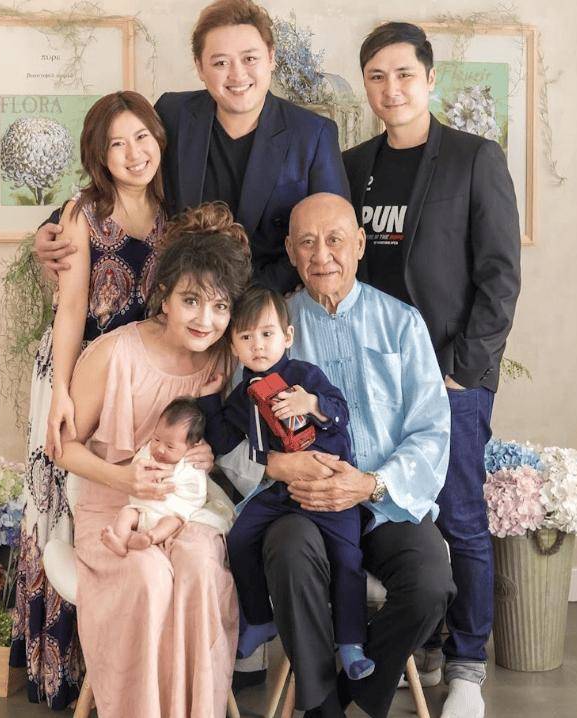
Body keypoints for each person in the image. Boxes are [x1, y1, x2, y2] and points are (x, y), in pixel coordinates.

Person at [216, 192, 455, 718]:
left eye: (334, 240)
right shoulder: (269, 330)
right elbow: (232, 438)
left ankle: (346, 695)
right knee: (288, 552)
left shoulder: (401, 323)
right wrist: (276, 465)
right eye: (307, 242)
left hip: (385, 501)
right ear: (290, 252)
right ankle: (323, 709)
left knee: (431, 584)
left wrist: (370, 483)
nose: (321, 254)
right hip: (301, 502)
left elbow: (432, 431)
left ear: (360, 245)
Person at [343, 22, 521, 718]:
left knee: (461, 517)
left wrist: (464, 370)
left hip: (447, 377)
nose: (391, 89)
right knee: (390, 512)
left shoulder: (474, 158)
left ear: (430, 80)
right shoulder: (352, 164)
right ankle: (416, 643)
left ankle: (467, 666)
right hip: (370, 381)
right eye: (376, 77)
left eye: (404, 75)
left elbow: (499, 274)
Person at [54, 202, 251, 717]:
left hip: (185, 512)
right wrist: (124, 478)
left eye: (220, 306)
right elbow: (63, 448)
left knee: (200, 569)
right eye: (191, 301)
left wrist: (209, 454)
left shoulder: (225, 361)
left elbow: (228, 445)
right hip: (114, 510)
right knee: (148, 576)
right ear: (164, 295)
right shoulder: (113, 354)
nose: (205, 320)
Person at [9, 91, 169, 709]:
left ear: (159, 138)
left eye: (142, 137)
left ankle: (129, 661)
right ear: (99, 156)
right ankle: (67, 669)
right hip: (77, 377)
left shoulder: (173, 214)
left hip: (138, 385)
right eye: (116, 144)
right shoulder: (84, 213)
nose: (134, 153)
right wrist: (59, 394)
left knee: (121, 505)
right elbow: (71, 308)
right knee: (63, 508)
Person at [33, 0, 350, 296]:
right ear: (200, 67)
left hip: (269, 308)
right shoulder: (174, 114)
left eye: (250, 58)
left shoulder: (313, 134)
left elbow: (338, 235)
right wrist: (55, 225)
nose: (237, 74)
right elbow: (123, 175)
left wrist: (245, 299)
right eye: (220, 62)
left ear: (271, 58)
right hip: (182, 303)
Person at [198, 285, 374, 681]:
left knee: (348, 558)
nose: (258, 345)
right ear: (234, 346)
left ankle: (351, 642)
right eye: (246, 337)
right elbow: (223, 439)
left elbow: (341, 413)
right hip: (278, 493)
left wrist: (310, 404)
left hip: (330, 486)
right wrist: (209, 399)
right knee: (239, 539)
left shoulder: (304, 377)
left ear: (287, 336)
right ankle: (260, 619)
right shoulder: (242, 396)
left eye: (267, 333)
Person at [101, 397, 209, 556]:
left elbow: (197, 495)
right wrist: (147, 473)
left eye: (170, 446)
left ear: (192, 447)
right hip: (142, 510)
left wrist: (172, 484)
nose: (160, 449)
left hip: (168, 513)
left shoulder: (191, 466)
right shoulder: (147, 453)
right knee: (126, 514)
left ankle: (150, 537)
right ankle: (120, 541)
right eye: (156, 439)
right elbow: (135, 469)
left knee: (172, 523)